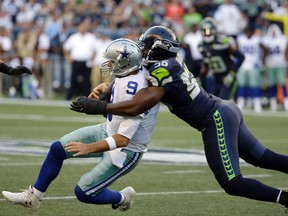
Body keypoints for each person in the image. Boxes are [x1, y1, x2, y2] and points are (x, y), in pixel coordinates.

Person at [70, 25, 288, 211]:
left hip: (215, 118)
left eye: (146, 46)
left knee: (232, 182)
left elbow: (137, 105)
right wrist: (106, 90)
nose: (142, 49)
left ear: (158, 50)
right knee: (262, 157)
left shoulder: (162, 69)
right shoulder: (164, 62)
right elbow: (131, 73)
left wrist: (100, 106)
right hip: (224, 109)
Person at [2, 38, 159, 211]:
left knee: (84, 192)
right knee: (57, 149)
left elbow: (123, 140)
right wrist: (107, 88)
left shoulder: (137, 88)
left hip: (127, 150)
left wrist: (89, 147)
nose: (109, 64)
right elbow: (122, 88)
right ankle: (34, 197)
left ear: (126, 62)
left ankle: (122, 198)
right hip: (109, 129)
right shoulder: (133, 72)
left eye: (114, 61)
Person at [198, 17, 245, 100]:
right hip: (217, 80)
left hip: (228, 78)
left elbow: (241, 57)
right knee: (212, 104)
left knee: (223, 104)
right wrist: (200, 78)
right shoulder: (201, 47)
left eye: (209, 30)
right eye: (205, 31)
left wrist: (232, 74)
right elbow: (207, 64)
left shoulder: (223, 43)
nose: (207, 33)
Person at [236, 25, 267, 112]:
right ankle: (241, 103)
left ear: (253, 31)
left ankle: (257, 104)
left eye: (250, 31)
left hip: (254, 65)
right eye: (247, 31)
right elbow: (236, 49)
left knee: (255, 85)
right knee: (242, 85)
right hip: (243, 65)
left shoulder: (257, 39)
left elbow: (265, 48)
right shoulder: (241, 38)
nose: (248, 33)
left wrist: (262, 59)